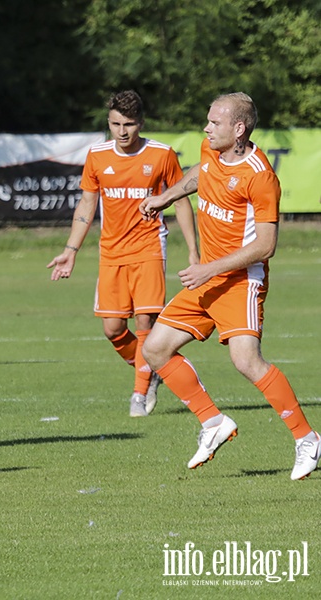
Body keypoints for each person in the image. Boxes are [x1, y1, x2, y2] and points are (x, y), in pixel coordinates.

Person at [139, 92, 319, 480]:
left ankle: (307, 438)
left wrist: (209, 269)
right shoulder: (211, 150)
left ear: (238, 129)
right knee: (154, 348)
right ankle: (212, 422)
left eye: (214, 123)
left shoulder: (260, 176)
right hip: (208, 277)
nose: (206, 128)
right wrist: (164, 197)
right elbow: (198, 174)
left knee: (246, 361)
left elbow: (266, 246)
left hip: (240, 280)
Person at [47, 90, 199, 418]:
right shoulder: (97, 156)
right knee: (113, 329)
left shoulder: (161, 155)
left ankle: (138, 395)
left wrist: (192, 251)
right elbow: (87, 204)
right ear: (109, 123)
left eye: (129, 124)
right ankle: (154, 366)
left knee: (146, 320)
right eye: (116, 124)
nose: (123, 131)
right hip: (111, 252)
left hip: (148, 248)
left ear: (141, 123)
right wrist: (70, 250)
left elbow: (181, 200)